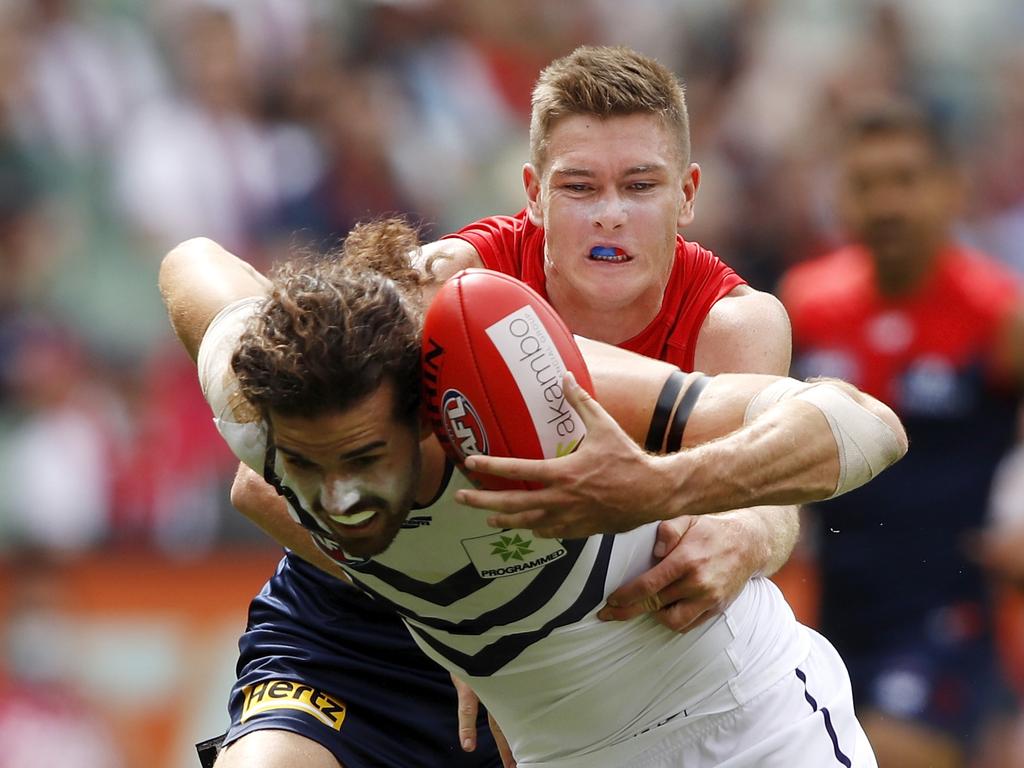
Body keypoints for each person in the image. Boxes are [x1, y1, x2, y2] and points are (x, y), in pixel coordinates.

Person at [184, 45, 801, 767]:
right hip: (362, 631)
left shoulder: (734, 324)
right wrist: (450, 612)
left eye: (639, 186)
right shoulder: (445, 288)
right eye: (579, 188)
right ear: (533, 192)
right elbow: (262, 486)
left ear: (688, 193)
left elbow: (770, 489)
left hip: (563, 666)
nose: (610, 216)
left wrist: (747, 539)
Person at [160, 216, 907, 766]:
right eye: (310, 468)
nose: (339, 497)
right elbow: (189, 259)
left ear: (426, 413)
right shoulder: (268, 408)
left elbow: (866, 425)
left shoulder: (533, 396)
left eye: (363, 457)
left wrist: (653, 487)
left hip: (745, 730)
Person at [779, 99, 1024, 768]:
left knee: (894, 752)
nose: (886, 203)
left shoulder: (997, 313)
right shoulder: (806, 307)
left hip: (946, 610)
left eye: (905, 180)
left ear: (952, 189)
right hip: (831, 602)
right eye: (865, 184)